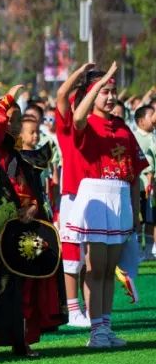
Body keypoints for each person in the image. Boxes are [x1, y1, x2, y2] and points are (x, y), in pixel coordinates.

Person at [0, 90, 65, 358]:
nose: (11, 123)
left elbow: (36, 197)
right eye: (8, 118)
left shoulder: (25, 158)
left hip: (18, 233)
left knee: (20, 291)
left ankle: (21, 341)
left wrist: (33, 209)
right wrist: (9, 98)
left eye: (17, 119)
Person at [66, 63, 148, 348]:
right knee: (96, 267)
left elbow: (135, 172)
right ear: (92, 95)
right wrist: (94, 88)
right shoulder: (88, 123)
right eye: (104, 92)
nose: (110, 97)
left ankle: (106, 326)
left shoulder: (123, 128)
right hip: (97, 196)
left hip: (121, 197)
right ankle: (95, 331)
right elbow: (76, 117)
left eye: (113, 92)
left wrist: (136, 209)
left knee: (112, 267)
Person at [53, 63, 96, 327]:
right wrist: (79, 75)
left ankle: (92, 311)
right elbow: (60, 96)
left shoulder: (101, 126)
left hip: (98, 196)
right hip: (73, 194)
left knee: (92, 257)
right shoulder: (69, 124)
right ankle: (72, 309)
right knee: (72, 257)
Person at [132, 104, 155, 258]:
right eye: (151, 115)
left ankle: (149, 250)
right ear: (141, 121)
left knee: (151, 219)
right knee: (139, 219)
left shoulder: (153, 136)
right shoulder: (135, 137)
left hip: (153, 186)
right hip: (141, 186)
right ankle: (137, 249)